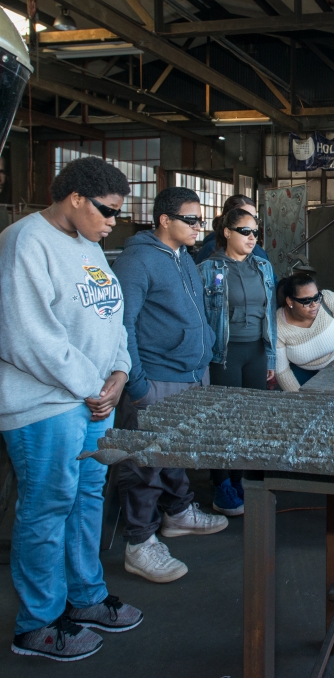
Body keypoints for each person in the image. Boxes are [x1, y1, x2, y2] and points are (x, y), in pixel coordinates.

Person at [0, 157, 143, 661]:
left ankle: (84, 598)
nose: (112, 223)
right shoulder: (24, 242)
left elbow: (112, 318)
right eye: (106, 211)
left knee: (86, 501)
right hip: (47, 406)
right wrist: (92, 386)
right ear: (75, 198)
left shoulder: (89, 246)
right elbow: (27, 336)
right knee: (45, 508)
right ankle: (37, 625)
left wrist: (120, 372)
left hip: (94, 401)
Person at [113, 187, 228, 585]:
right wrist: (138, 384)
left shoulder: (184, 257)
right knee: (145, 462)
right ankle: (138, 544)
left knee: (177, 450)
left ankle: (178, 514)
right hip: (157, 377)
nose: (200, 227)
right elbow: (122, 327)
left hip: (191, 374)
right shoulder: (138, 260)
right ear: (165, 220)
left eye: (201, 220)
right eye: (191, 220)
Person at [197, 206, 277, 515]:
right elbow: (201, 317)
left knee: (249, 419)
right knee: (223, 421)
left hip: (256, 351)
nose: (252, 237)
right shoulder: (207, 269)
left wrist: (270, 356)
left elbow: (268, 313)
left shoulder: (262, 266)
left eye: (255, 232)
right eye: (245, 231)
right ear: (227, 233)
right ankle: (221, 485)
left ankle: (240, 478)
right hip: (224, 355)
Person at [275, 272, 334, 391]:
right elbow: (282, 370)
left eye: (316, 297)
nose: (314, 305)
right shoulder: (279, 326)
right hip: (302, 371)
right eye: (306, 301)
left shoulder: (328, 300)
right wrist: (299, 398)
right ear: (289, 302)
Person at [192, 194, 269, 264]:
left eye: (254, 218)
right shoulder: (211, 250)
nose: (251, 221)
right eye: (244, 216)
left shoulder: (259, 251)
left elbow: (271, 279)